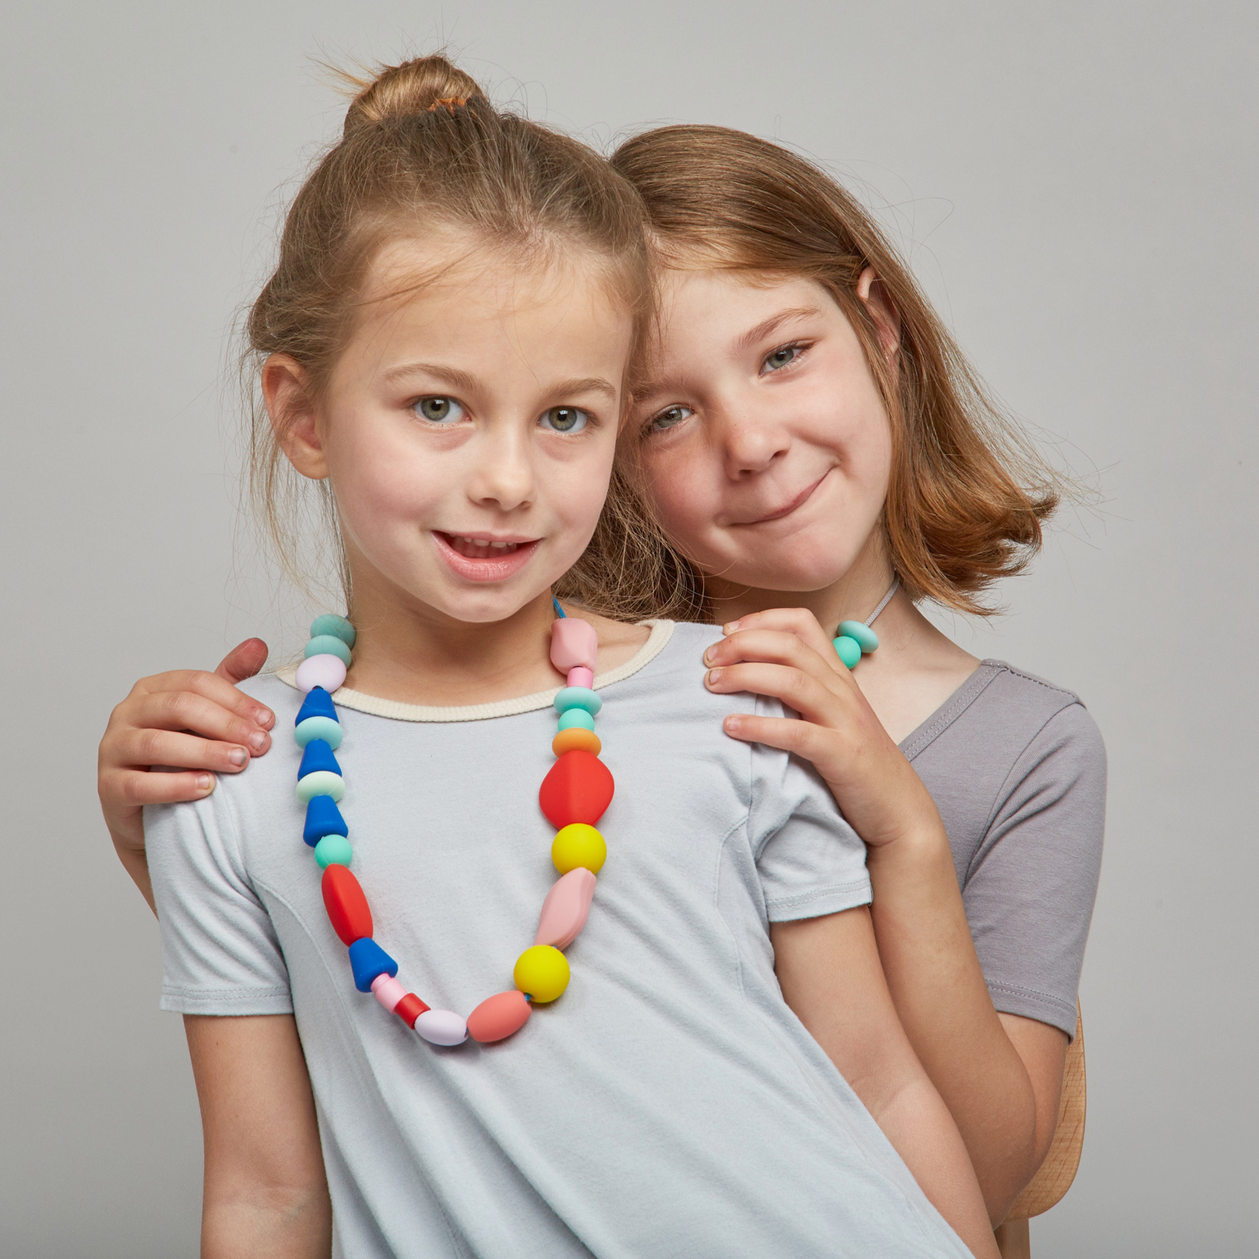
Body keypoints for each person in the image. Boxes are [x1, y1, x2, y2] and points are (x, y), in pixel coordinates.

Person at [99, 68, 1105, 1239]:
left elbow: (905, 1109)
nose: (506, 475)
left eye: (563, 415)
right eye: (438, 405)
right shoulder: (249, 777)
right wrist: (154, 831)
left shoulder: (736, 708)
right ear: (304, 414)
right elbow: (282, 1146)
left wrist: (907, 827)